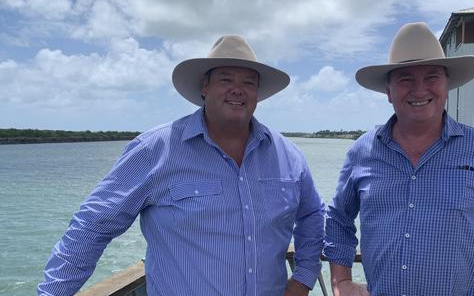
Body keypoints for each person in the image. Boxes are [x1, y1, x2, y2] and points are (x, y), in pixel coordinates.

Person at [38, 35, 325, 296]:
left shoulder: (289, 155)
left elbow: (313, 214)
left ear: (257, 93)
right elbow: (92, 227)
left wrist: (303, 279)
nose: (238, 90)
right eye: (226, 80)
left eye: (248, 82)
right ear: (205, 86)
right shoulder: (155, 150)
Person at [323, 22, 474, 296]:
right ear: (388, 91)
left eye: (431, 77)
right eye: (405, 79)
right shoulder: (362, 151)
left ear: (447, 87)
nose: (419, 90)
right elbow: (338, 218)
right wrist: (341, 282)